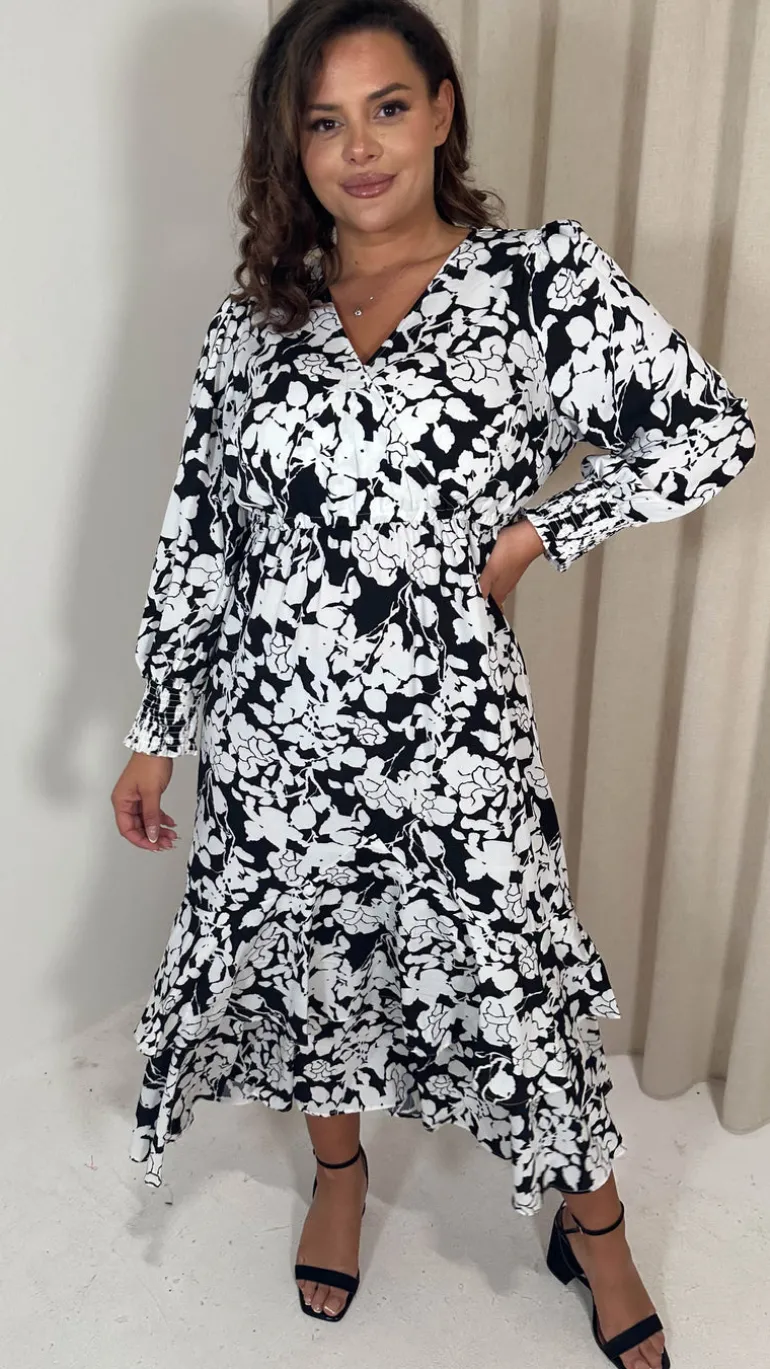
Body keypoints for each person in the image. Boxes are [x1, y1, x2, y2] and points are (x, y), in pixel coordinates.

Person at [111, 0, 755, 1363]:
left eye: (387, 108)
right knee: (312, 965)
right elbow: (203, 539)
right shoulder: (255, 325)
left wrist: (534, 536)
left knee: (512, 983)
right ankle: (339, 1175)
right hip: (278, 732)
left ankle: (594, 1229)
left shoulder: (537, 283)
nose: (358, 148)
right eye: (323, 121)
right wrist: (159, 731)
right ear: (290, 145)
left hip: (453, 737)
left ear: (442, 107)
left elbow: (707, 430)